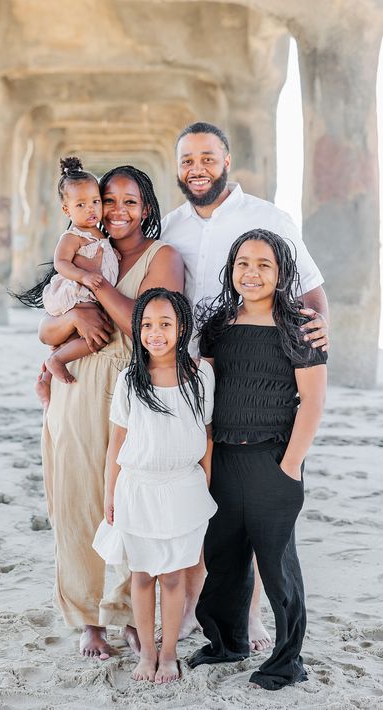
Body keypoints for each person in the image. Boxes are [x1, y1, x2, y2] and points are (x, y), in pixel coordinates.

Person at [161, 121, 329, 649]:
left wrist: (321, 336)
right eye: (188, 159)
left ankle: (254, 617)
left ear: (226, 161)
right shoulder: (169, 227)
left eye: (208, 158)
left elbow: (312, 291)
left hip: (262, 382)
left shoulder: (267, 218)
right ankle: (199, 610)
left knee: (259, 512)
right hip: (195, 377)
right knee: (209, 503)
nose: (197, 168)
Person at [36, 166, 184, 659]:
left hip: (133, 387)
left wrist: (96, 291)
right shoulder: (83, 251)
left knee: (127, 500)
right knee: (78, 498)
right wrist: (72, 318)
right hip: (79, 387)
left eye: (130, 202)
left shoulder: (163, 258)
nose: (116, 211)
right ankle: (86, 619)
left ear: (147, 209)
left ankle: (127, 614)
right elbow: (45, 331)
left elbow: (141, 323)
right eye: (108, 200)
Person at [188, 228, 327, 690]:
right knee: (223, 558)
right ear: (231, 270)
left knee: (277, 565)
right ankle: (226, 642)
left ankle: (286, 661)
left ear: (282, 272)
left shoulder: (301, 327)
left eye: (264, 264)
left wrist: (290, 466)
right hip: (224, 458)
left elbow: (311, 403)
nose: (252, 273)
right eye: (243, 263)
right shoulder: (217, 327)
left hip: (274, 459)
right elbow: (205, 397)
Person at [92, 288, 217, 683]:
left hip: (184, 488)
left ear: (182, 329)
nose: (155, 332)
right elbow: (117, 442)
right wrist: (110, 493)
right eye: (147, 324)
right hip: (139, 489)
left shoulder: (201, 376)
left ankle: (168, 654)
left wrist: (206, 488)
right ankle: (146, 654)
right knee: (143, 575)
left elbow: (207, 437)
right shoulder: (131, 379)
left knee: (176, 576)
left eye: (165, 324)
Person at [14, 156, 119, 400]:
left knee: (82, 337)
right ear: (66, 209)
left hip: (91, 294)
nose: (90, 209)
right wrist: (83, 275)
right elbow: (61, 263)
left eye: (95, 201)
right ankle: (56, 360)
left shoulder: (101, 235)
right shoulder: (73, 236)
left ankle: (48, 375)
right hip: (77, 294)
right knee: (98, 336)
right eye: (80, 205)